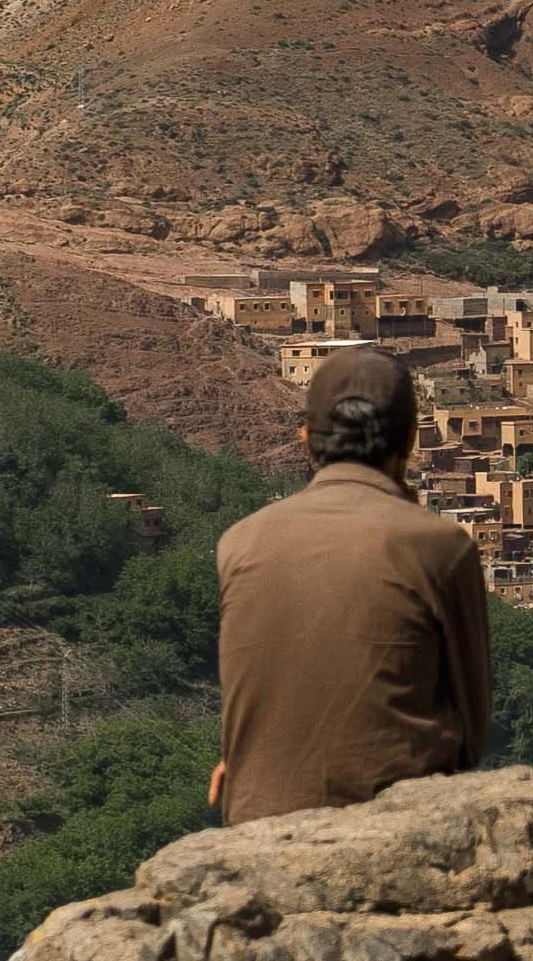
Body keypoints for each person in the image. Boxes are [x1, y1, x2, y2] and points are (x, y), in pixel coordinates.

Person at [209, 344, 492, 824]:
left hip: (257, 827)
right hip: (399, 829)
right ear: (410, 441)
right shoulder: (440, 547)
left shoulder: (239, 542)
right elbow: (472, 726)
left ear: (306, 438)